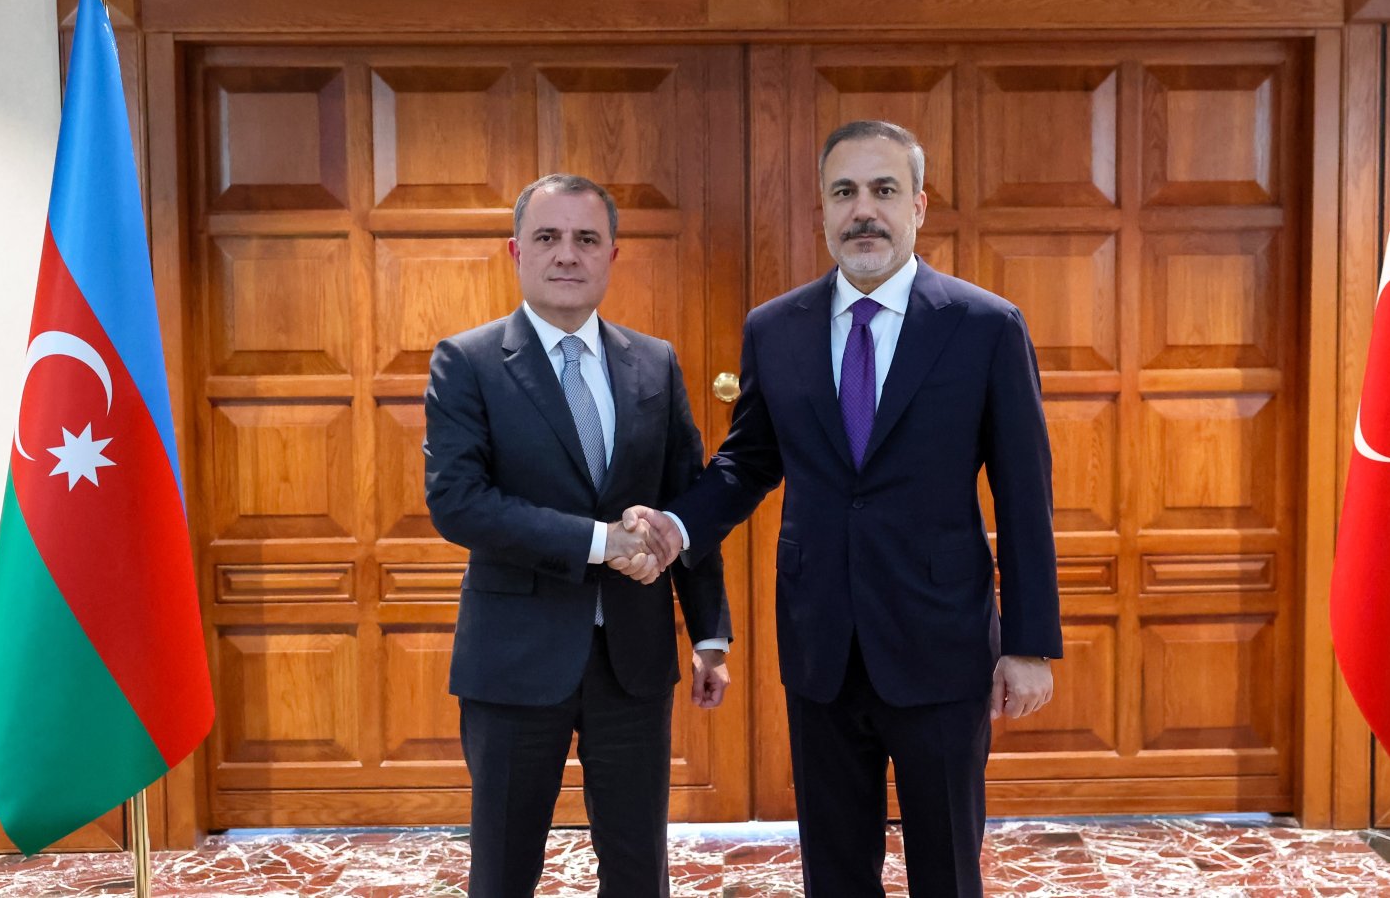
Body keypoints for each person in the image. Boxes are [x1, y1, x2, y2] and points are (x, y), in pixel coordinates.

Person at [625, 121, 1060, 898]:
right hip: (821, 640)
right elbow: (746, 462)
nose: (865, 210)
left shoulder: (985, 326)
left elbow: (1025, 494)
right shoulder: (776, 328)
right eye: (845, 192)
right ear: (822, 210)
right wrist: (677, 525)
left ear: (919, 206)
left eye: (885, 190)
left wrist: (1030, 643)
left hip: (942, 641)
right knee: (834, 866)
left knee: (948, 866)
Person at [424, 173, 732, 898]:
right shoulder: (466, 363)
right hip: (513, 661)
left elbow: (683, 501)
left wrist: (709, 635)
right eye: (549, 238)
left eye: (586, 239)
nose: (568, 254)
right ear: (516, 252)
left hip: (634, 661)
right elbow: (458, 503)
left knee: (636, 870)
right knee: (504, 870)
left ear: (612, 255)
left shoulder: (653, 362)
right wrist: (600, 542)